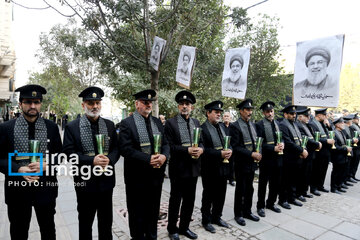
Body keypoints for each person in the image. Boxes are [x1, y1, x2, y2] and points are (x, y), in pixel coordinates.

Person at [0, 84, 62, 240]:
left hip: (46, 189)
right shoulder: (6, 128)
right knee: (19, 232)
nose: (32, 106)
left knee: (48, 230)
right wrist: (18, 169)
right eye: (28, 102)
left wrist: (47, 165)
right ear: (20, 104)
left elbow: (60, 155)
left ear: (41, 103)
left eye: (36, 102)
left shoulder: (52, 127)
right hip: (17, 191)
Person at [62, 86, 120, 240]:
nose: (95, 106)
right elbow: (69, 153)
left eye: (97, 103)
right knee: (85, 222)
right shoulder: (72, 127)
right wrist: (91, 161)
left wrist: (110, 160)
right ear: (83, 105)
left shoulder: (109, 125)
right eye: (90, 103)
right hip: (85, 183)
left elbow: (116, 149)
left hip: (106, 182)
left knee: (106, 221)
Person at [119, 89, 169, 240]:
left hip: (156, 175)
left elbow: (166, 143)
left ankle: (152, 236)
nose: (148, 105)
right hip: (136, 177)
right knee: (136, 212)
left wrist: (164, 156)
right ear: (136, 104)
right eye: (145, 102)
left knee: (153, 210)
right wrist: (148, 159)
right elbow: (125, 149)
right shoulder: (127, 123)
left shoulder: (156, 122)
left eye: (150, 102)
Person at [165, 90, 203, 240]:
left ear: (191, 107)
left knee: (190, 200)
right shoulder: (170, 123)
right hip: (178, 168)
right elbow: (169, 146)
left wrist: (201, 149)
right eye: (181, 104)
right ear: (178, 107)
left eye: (187, 104)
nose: (184, 106)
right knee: (175, 200)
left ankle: (184, 227)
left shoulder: (196, 123)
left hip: (193, 168)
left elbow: (201, 141)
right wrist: (187, 150)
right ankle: (172, 229)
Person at [200, 100, 232, 233]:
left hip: (223, 167)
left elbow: (228, 143)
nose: (219, 115)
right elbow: (203, 150)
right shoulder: (203, 128)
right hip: (209, 168)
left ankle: (217, 217)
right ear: (208, 113)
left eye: (220, 112)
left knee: (221, 194)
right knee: (208, 195)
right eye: (216, 112)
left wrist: (230, 150)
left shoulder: (222, 127)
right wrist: (220, 153)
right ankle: (206, 220)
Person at [230, 99, 261, 226]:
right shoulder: (235, 126)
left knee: (250, 188)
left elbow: (256, 143)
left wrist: (258, 153)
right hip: (241, 163)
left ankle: (247, 211)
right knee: (240, 189)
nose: (250, 112)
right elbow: (235, 147)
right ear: (241, 111)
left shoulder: (252, 125)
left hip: (252, 163)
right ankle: (238, 214)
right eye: (247, 110)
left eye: (251, 110)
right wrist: (251, 154)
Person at [255, 101, 284, 217]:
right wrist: (273, 148)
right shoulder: (260, 125)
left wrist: (282, 144)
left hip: (278, 158)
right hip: (266, 159)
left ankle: (271, 203)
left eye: (271, 111)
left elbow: (281, 138)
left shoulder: (277, 123)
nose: (270, 113)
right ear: (263, 113)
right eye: (267, 112)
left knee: (275, 183)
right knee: (263, 184)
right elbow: (259, 144)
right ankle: (260, 206)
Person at [279, 105, 308, 209]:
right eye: (291, 114)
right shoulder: (283, 125)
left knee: (293, 179)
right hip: (288, 158)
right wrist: (301, 150)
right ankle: (283, 200)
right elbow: (288, 142)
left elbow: (299, 139)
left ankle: (291, 197)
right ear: (285, 114)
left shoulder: (294, 124)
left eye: (295, 114)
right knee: (286, 180)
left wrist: (303, 149)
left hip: (296, 157)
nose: (294, 115)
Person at [296, 106, 322, 200]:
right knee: (302, 175)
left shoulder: (307, 124)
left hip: (311, 153)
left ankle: (304, 191)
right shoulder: (298, 125)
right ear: (300, 117)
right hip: (304, 153)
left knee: (307, 174)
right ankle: (299, 193)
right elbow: (305, 139)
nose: (308, 117)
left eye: (309, 115)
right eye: (306, 116)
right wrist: (317, 143)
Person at [308, 108, 334, 195]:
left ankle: (320, 185)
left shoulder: (323, 123)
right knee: (316, 170)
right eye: (324, 115)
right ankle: (313, 187)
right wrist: (326, 141)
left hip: (326, 151)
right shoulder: (312, 124)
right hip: (318, 150)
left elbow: (329, 134)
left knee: (323, 169)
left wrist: (329, 126)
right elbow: (315, 138)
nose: (326, 117)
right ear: (319, 115)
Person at [331, 117, 352, 194]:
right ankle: (333, 188)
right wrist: (345, 149)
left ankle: (339, 186)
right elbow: (334, 147)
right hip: (337, 156)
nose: (343, 124)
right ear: (337, 125)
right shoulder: (333, 133)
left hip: (344, 156)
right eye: (342, 123)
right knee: (336, 172)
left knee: (341, 172)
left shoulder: (342, 132)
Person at [223, 111, 235, 186]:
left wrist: (231, 149)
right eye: (225, 116)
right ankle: (224, 178)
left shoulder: (233, 127)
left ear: (230, 118)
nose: (226, 117)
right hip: (223, 149)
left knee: (231, 165)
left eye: (228, 116)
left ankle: (231, 179)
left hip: (231, 148)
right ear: (223, 117)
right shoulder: (220, 126)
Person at [349, 113, 360, 181]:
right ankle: (350, 176)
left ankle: (353, 175)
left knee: (356, 163)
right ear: (353, 120)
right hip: (355, 147)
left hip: (358, 147)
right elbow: (354, 138)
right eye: (357, 119)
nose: (358, 120)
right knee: (353, 163)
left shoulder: (357, 126)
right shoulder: (352, 127)